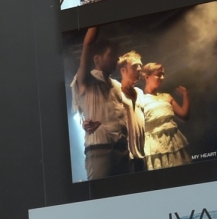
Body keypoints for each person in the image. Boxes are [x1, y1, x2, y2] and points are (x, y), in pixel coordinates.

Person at [73, 27, 132, 180]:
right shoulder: (86, 80)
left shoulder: (117, 86)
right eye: (111, 55)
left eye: (116, 56)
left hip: (122, 151)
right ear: (97, 59)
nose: (116, 60)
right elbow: (88, 44)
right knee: (101, 197)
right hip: (100, 151)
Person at [132, 63, 191, 170]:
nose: (162, 78)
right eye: (158, 75)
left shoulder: (166, 96)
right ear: (147, 77)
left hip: (174, 142)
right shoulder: (140, 99)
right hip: (155, 145)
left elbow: (184, 115)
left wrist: (186, 95)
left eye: (163, 74)